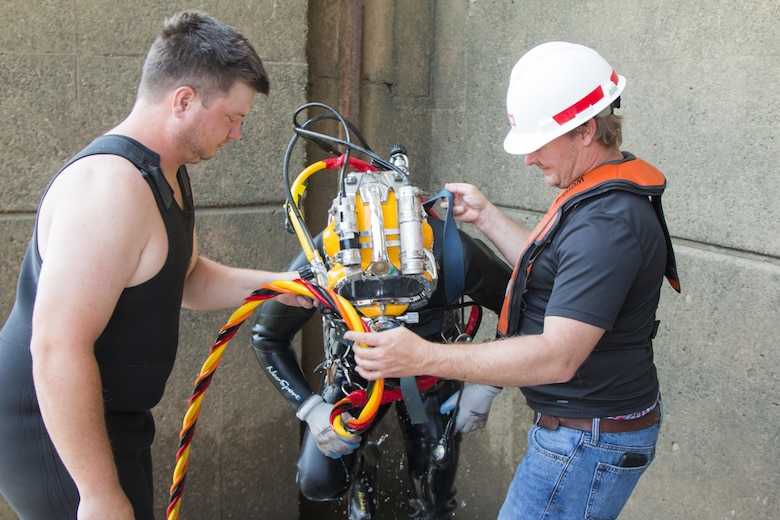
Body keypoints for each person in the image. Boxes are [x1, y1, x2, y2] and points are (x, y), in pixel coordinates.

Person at [345, 41, 681, 519]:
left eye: (538, 144)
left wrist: (424, 356)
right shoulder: (596, 194)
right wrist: (484, 216)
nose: (528, 160)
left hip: (587, 441)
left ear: (585, 130)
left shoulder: (607, 221)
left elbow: (558, 356)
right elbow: (559, 270)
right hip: (588, 432)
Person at [0, 10, 309, 520]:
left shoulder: (164, 174)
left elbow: (184, 278)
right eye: (233, 118)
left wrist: (276, 285)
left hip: (113, 417)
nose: (236, 135)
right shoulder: (110, 188)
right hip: (49, 422)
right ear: (184, 100)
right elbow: (57, 345)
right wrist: (97, 494)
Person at [250, 188, 512, 518]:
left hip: (431, 378)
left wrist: (488, 385)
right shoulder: (325, 254)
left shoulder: (451, 250)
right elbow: (267, 337)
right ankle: (363, 473)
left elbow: (520, 307)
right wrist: (311, 409)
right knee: (318, 482)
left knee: (432, 501)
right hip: (355, 378)